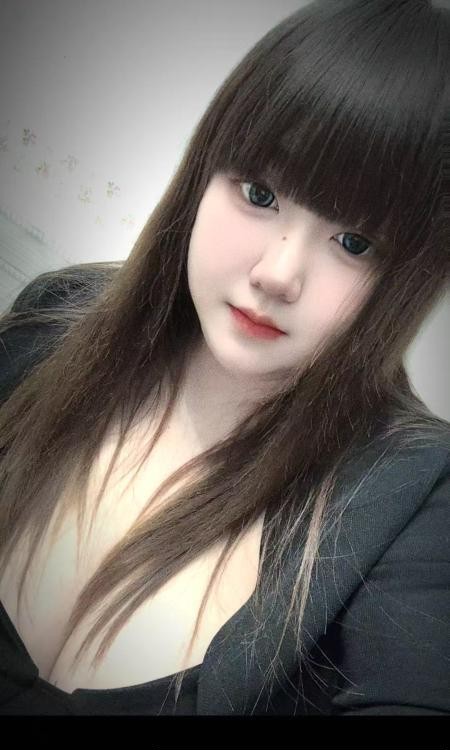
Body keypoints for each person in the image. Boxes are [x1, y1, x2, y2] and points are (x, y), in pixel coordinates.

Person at [0, 0, 448, 718]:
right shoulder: (53, 318)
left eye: (356, 243)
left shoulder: (412, 500)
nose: (277, 274)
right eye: (260, 194)